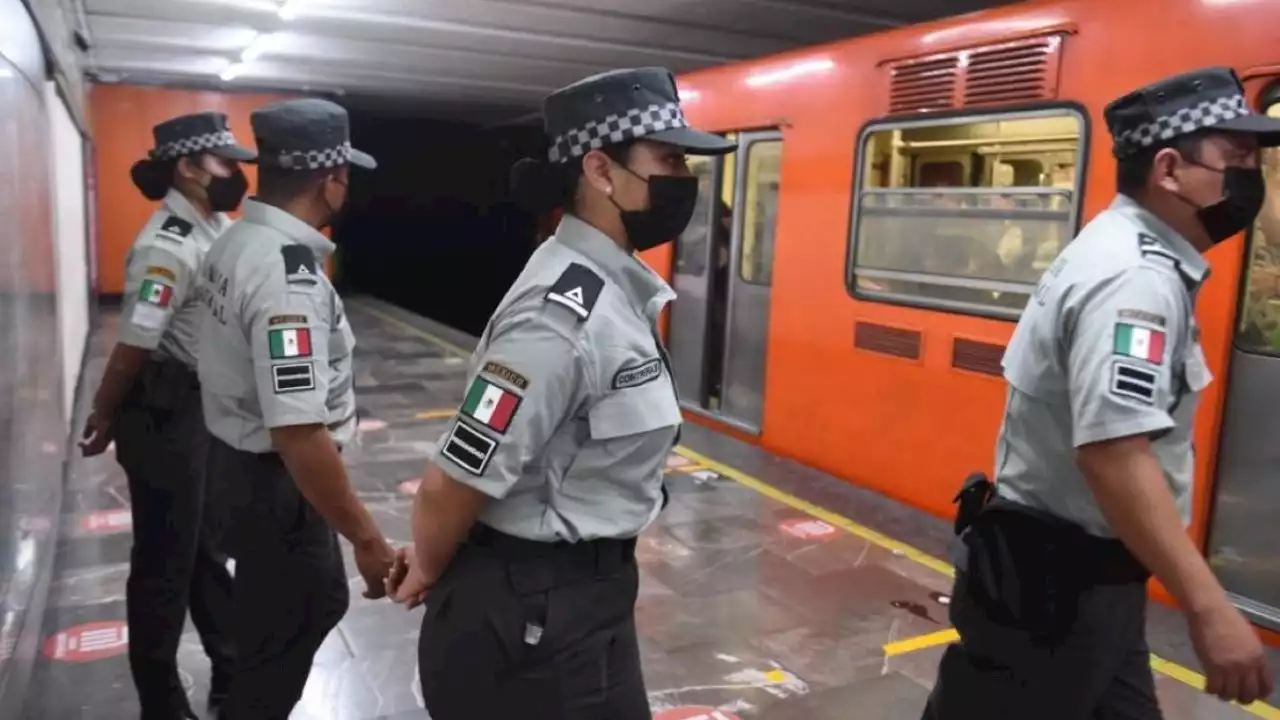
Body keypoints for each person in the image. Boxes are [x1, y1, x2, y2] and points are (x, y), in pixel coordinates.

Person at [922, 66, 1278, 719]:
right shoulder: (1133, 281)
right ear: (1169, 170)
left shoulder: (1127, 252)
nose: (1249, 177)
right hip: (1054, 590)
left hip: (1082, 580)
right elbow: (1113, 453)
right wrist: (1208, 607)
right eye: (1237, 159)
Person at [384, 67, 736, 719]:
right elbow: (453, 479)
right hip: (534, 611)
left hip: (581, 596)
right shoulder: (558, 318)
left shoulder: (610, 290)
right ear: (601, 171)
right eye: (669, 159)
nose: (684, 180)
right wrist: (432, 568)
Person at [195, 98, 395, 718]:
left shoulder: (234, 243)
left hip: (230, 464)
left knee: (283, 620)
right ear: (330, 179)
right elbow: (299, 430)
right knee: (292, 624)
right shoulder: (290, 280)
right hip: (274, 488)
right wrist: (366, 538)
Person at [79, 111, 253, 720]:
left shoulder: (215, 224)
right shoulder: (166, 244)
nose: (235, 173)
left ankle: (231, 669)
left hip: (202, 408)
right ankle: (161, 701)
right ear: (187, 166)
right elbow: (135, 344)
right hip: (162, 412)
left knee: (206, 547)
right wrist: (103, 412)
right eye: (224, 162)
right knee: (164, 563)